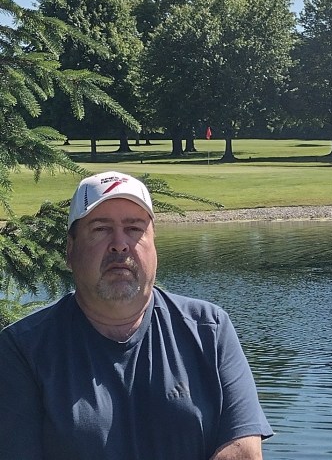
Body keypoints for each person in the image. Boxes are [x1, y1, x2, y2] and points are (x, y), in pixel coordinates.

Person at [0, 171, 272, 460]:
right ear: (70, 249)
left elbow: (244, 450)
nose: (120, 244)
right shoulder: (23, 350)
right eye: (101, 229)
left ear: (154, 245)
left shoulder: (209, 329)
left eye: (134, 228)